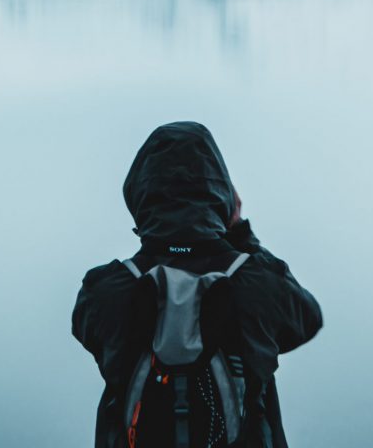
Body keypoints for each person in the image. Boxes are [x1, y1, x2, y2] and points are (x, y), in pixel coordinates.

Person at [72, 121, 322, 448]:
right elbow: (307, 318)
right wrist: (239, 234)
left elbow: (86, 330)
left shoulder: (103, 291)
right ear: (222, 194)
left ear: (139, 195)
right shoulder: (259, 283)